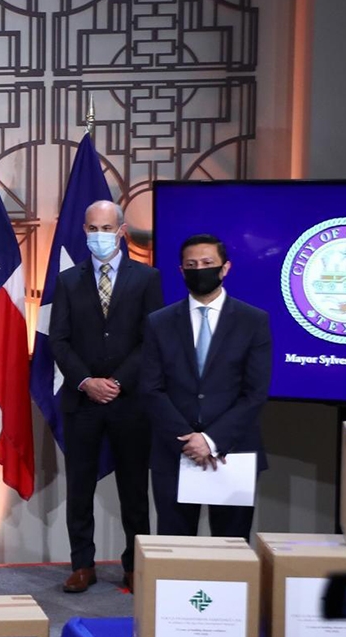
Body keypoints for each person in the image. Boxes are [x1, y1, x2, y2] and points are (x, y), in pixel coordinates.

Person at [49, 200, 163, 593]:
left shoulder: (147, 279)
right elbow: (59, 341)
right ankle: (83, 564)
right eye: (92, 228)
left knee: (133, 488)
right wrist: (87, 381)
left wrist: (116, 381)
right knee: (79, 488)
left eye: (106, 228)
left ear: (121, 231)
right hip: (82, 402)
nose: (99, 235)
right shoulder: (67, 281)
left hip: (130, 402)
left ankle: (135, 565)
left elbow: (152, 338)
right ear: (84, 231)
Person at [141, 234, 272, 539]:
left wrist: (211, 441)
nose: (200, 269)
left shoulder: (253, 321)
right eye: (192, 265)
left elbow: (254, 393)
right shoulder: (158, 322)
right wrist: (189, 441)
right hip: (174, 453)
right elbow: (151, 388)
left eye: (207, 263)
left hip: (233, 453)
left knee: (230, 552)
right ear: (181, 271)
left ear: (225, 268)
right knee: (176, 551)